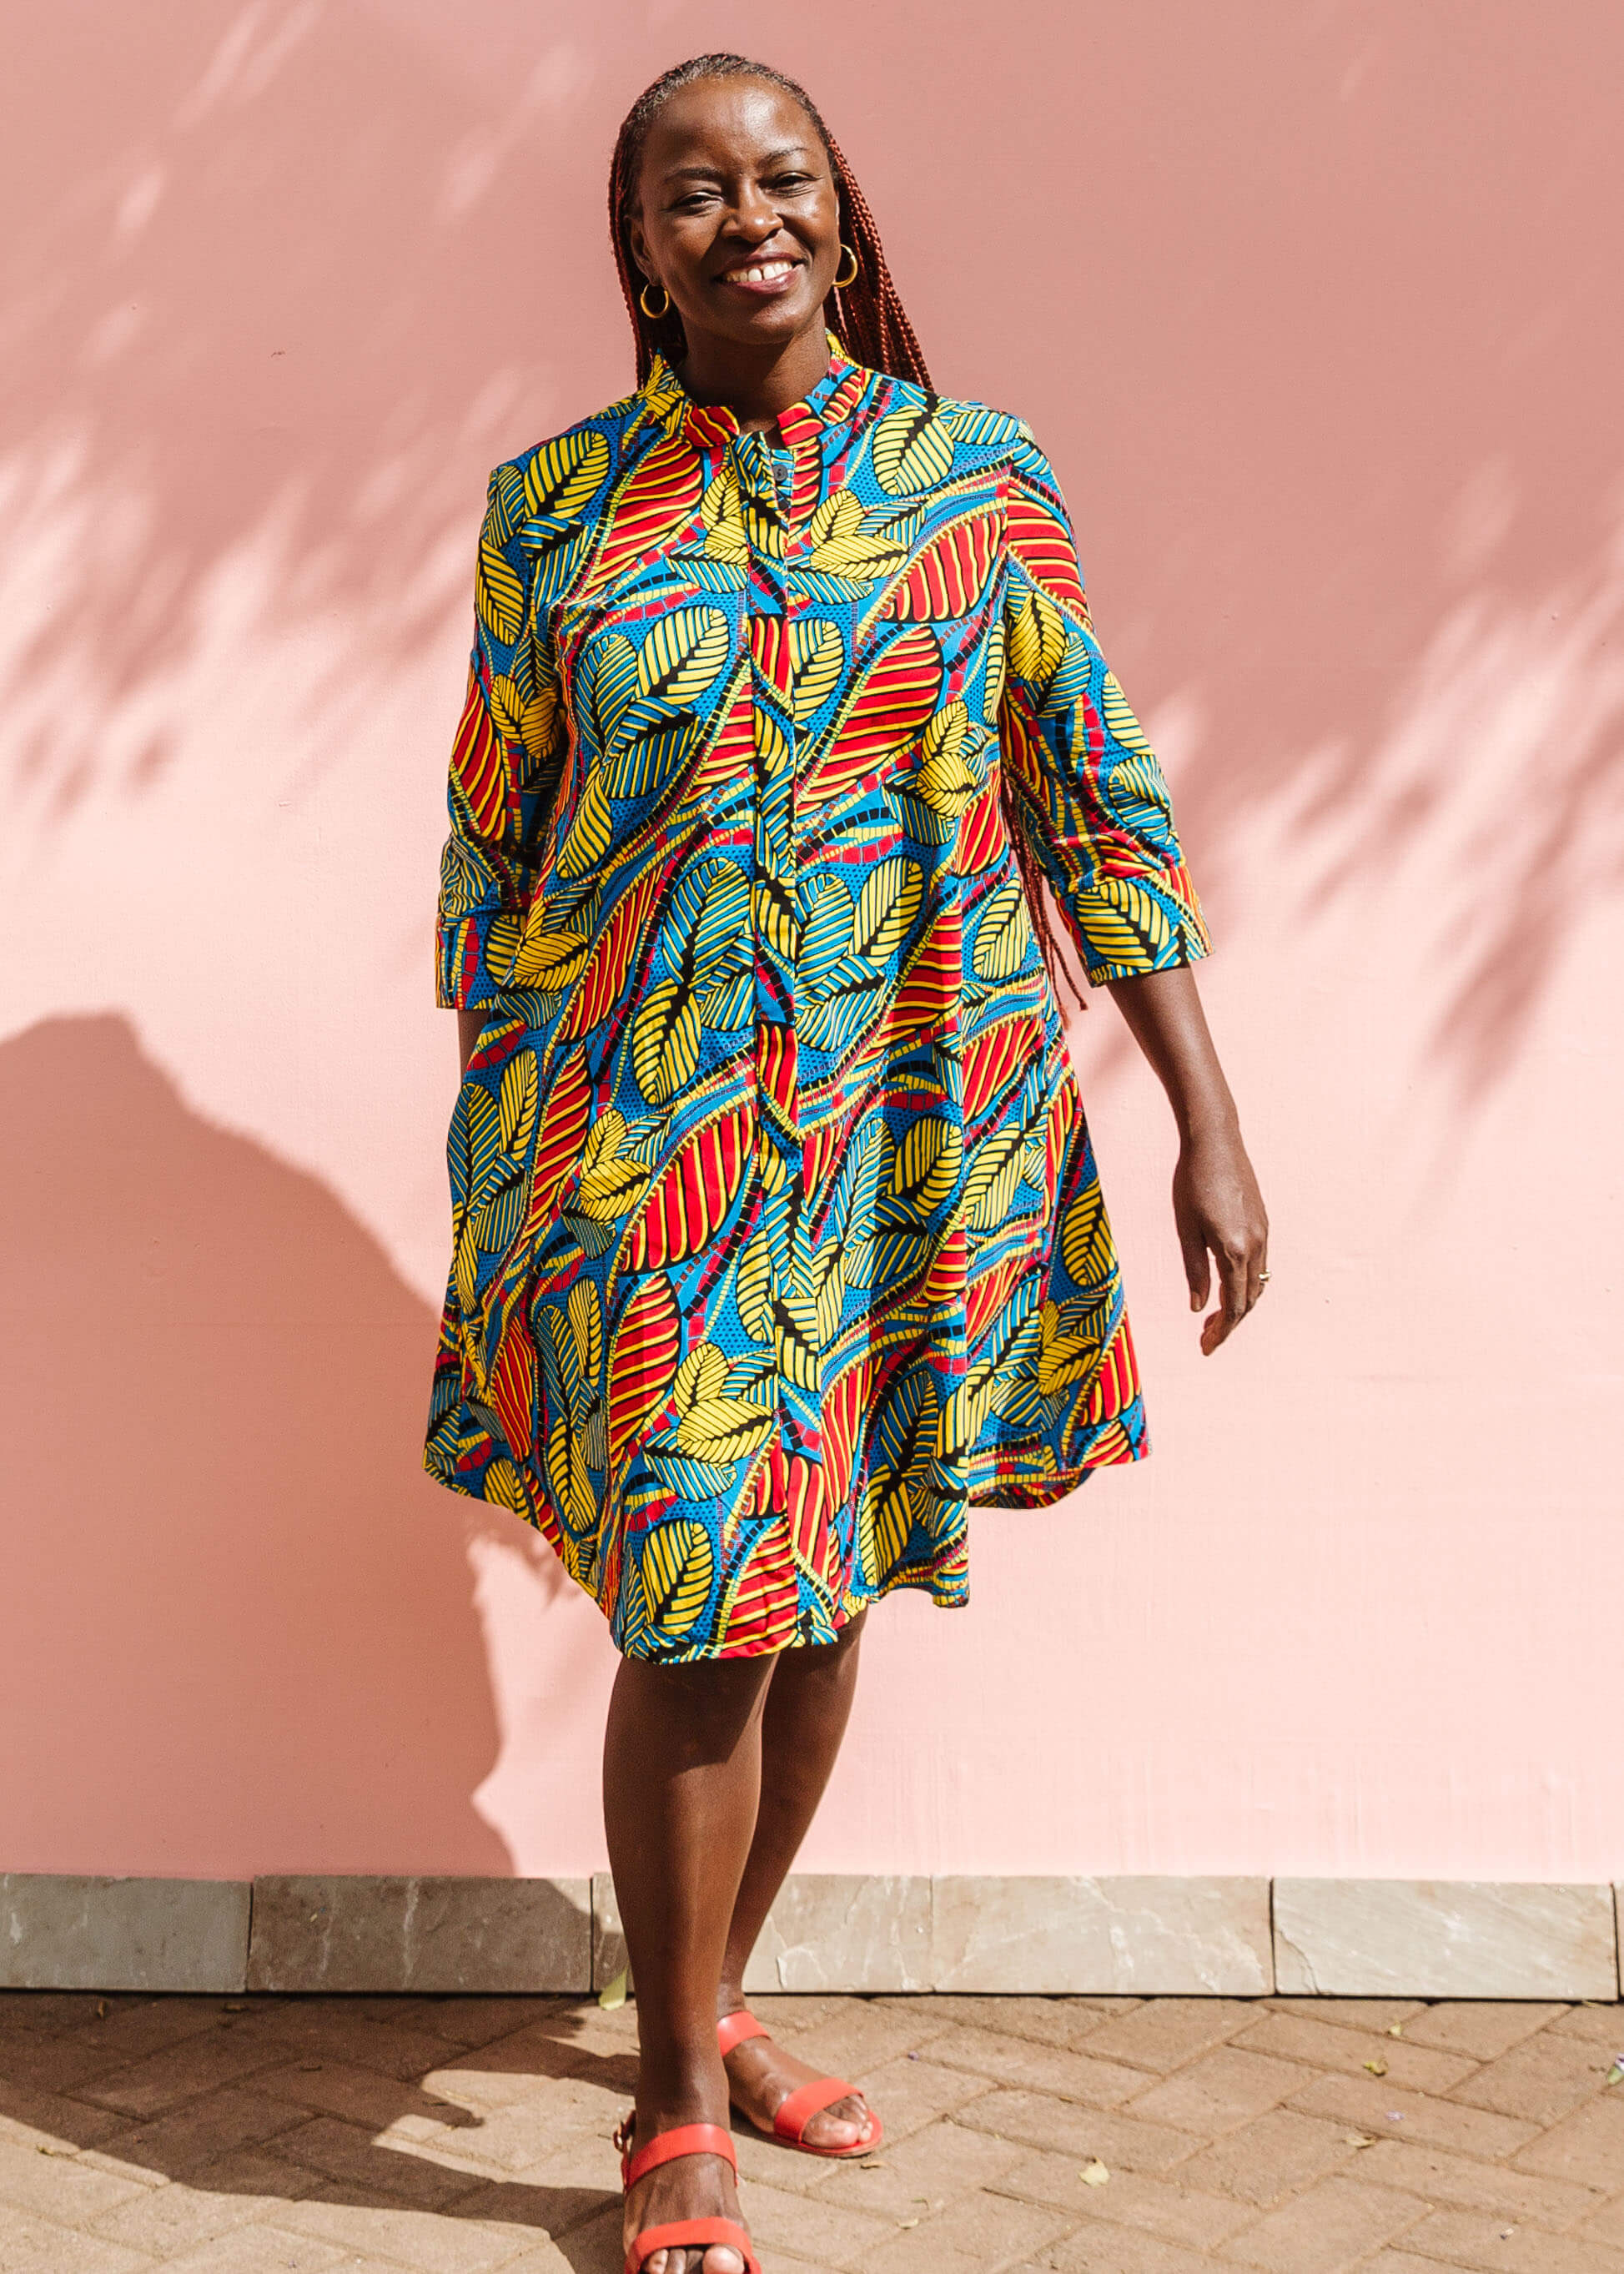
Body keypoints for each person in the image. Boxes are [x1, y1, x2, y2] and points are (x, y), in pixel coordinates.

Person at [426, 52, 1268, 2274]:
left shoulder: (978, 487)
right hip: (650, 1153)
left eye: (777, 176)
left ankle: (708, 1992)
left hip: (916, 1128)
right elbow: (489, 846)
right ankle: (677, 2106)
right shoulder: (551, 513)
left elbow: (1090, 793)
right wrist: (510, 1173)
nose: (742, 216)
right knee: (702, 1600)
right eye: (689, 190)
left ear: (843, 212)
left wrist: (1208, 1116)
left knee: (819, 1596)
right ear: (639, 243)